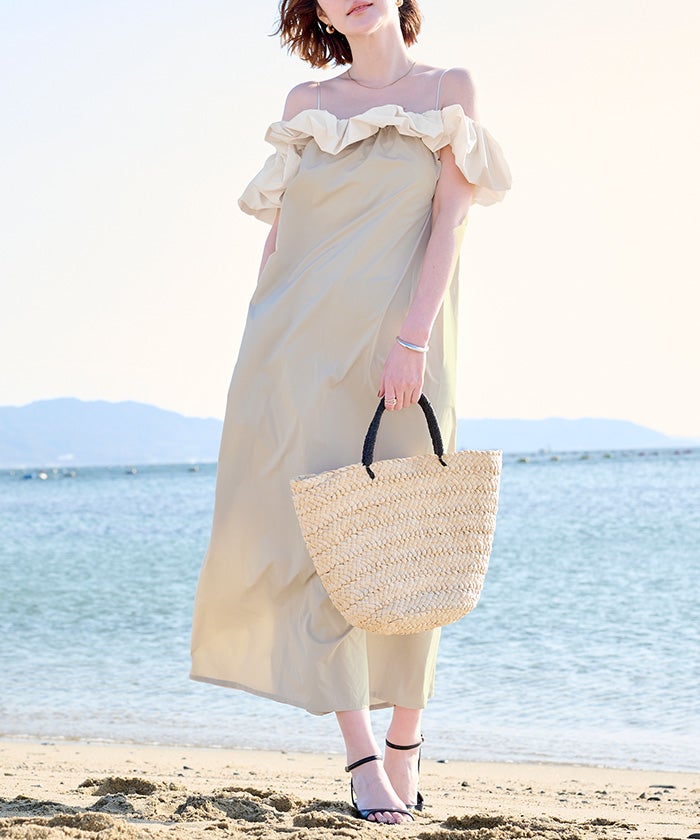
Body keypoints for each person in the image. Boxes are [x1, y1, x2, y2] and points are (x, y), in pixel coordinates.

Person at [190, 0, 511, 825]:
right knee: (321, 552)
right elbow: (281, 240)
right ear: (318, 12)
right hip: (296, 354)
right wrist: (261, 344)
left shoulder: (449, 88)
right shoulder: (308, 106)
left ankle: (407, 741)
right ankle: (365, 760)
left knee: (419, 542)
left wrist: (411, 340)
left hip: (405, 350)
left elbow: (449, 221)